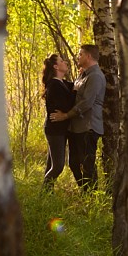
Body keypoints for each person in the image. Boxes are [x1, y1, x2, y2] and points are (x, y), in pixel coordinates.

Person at [50, 44, 105, 189]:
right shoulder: (84, 75)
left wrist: (66, 115)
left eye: (80, 54)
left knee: (87, 164)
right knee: (73, 163)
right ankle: (85, 191)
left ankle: (92, 196)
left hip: (88, 127)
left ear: (88, 56)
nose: (77, 57)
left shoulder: (96, 76)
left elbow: (87, 102)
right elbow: (74, 90)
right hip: (76, 127)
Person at [41, 53, 75, 187]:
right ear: (56, 66)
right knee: (58, 166)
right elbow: (66, 106)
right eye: (61, 61)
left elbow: (72, 86)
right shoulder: (54, 85)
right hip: (55, 130)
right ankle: (44, 192)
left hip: (59, 129)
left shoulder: (62, 83)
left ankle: (46, 195)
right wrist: (75, 92)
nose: (65, 62)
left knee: (51, 163)